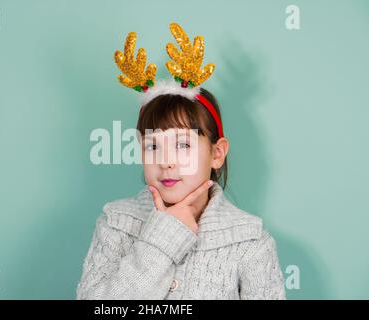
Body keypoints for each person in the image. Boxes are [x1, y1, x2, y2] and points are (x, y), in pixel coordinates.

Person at [76, 23, 285, 300]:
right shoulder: (116, 223)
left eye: (183, 145)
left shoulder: (249, 240)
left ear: (216, 154)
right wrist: (163, 238)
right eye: (153, 146)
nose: (166, 162)